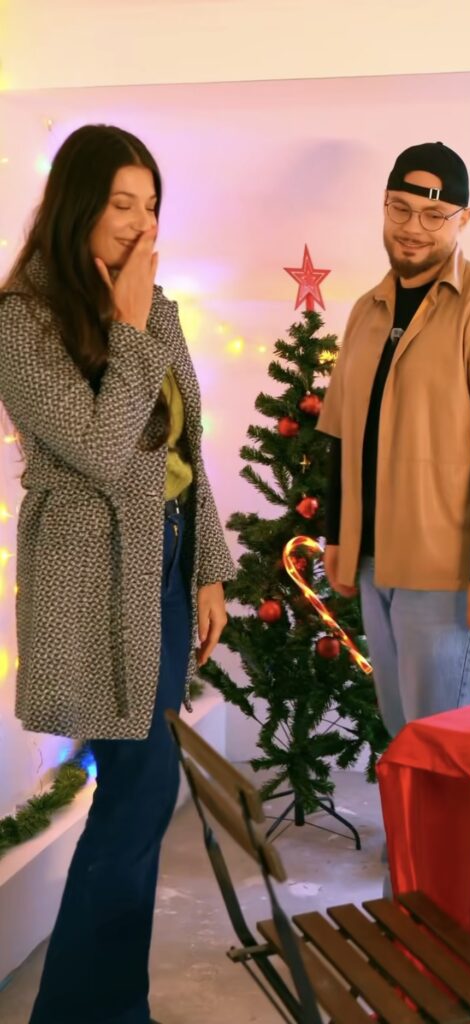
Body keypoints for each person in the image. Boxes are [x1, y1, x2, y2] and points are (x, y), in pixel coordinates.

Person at [0, 124, 236, 1024]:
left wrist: (207, 571)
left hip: (165, 561)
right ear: (77, 207)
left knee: (143, 790)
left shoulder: (154, 305)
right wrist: (131, 324)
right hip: (93, 576)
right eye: (121, 205)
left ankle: (106, 1007)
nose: (141, 225)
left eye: (152, 206)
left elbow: (184, 446)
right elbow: (101, 448)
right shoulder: (21, 318)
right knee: (138, 791)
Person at [318, 142, 470, 739]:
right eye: (400, 208)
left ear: (462, 220)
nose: (412, 228)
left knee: (444, 742)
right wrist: (339, 536)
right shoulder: (368, 311)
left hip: (449, 577)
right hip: (375, 562)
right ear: (384, 206)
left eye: (433, 215)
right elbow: (343, 432)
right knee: (405, 737)